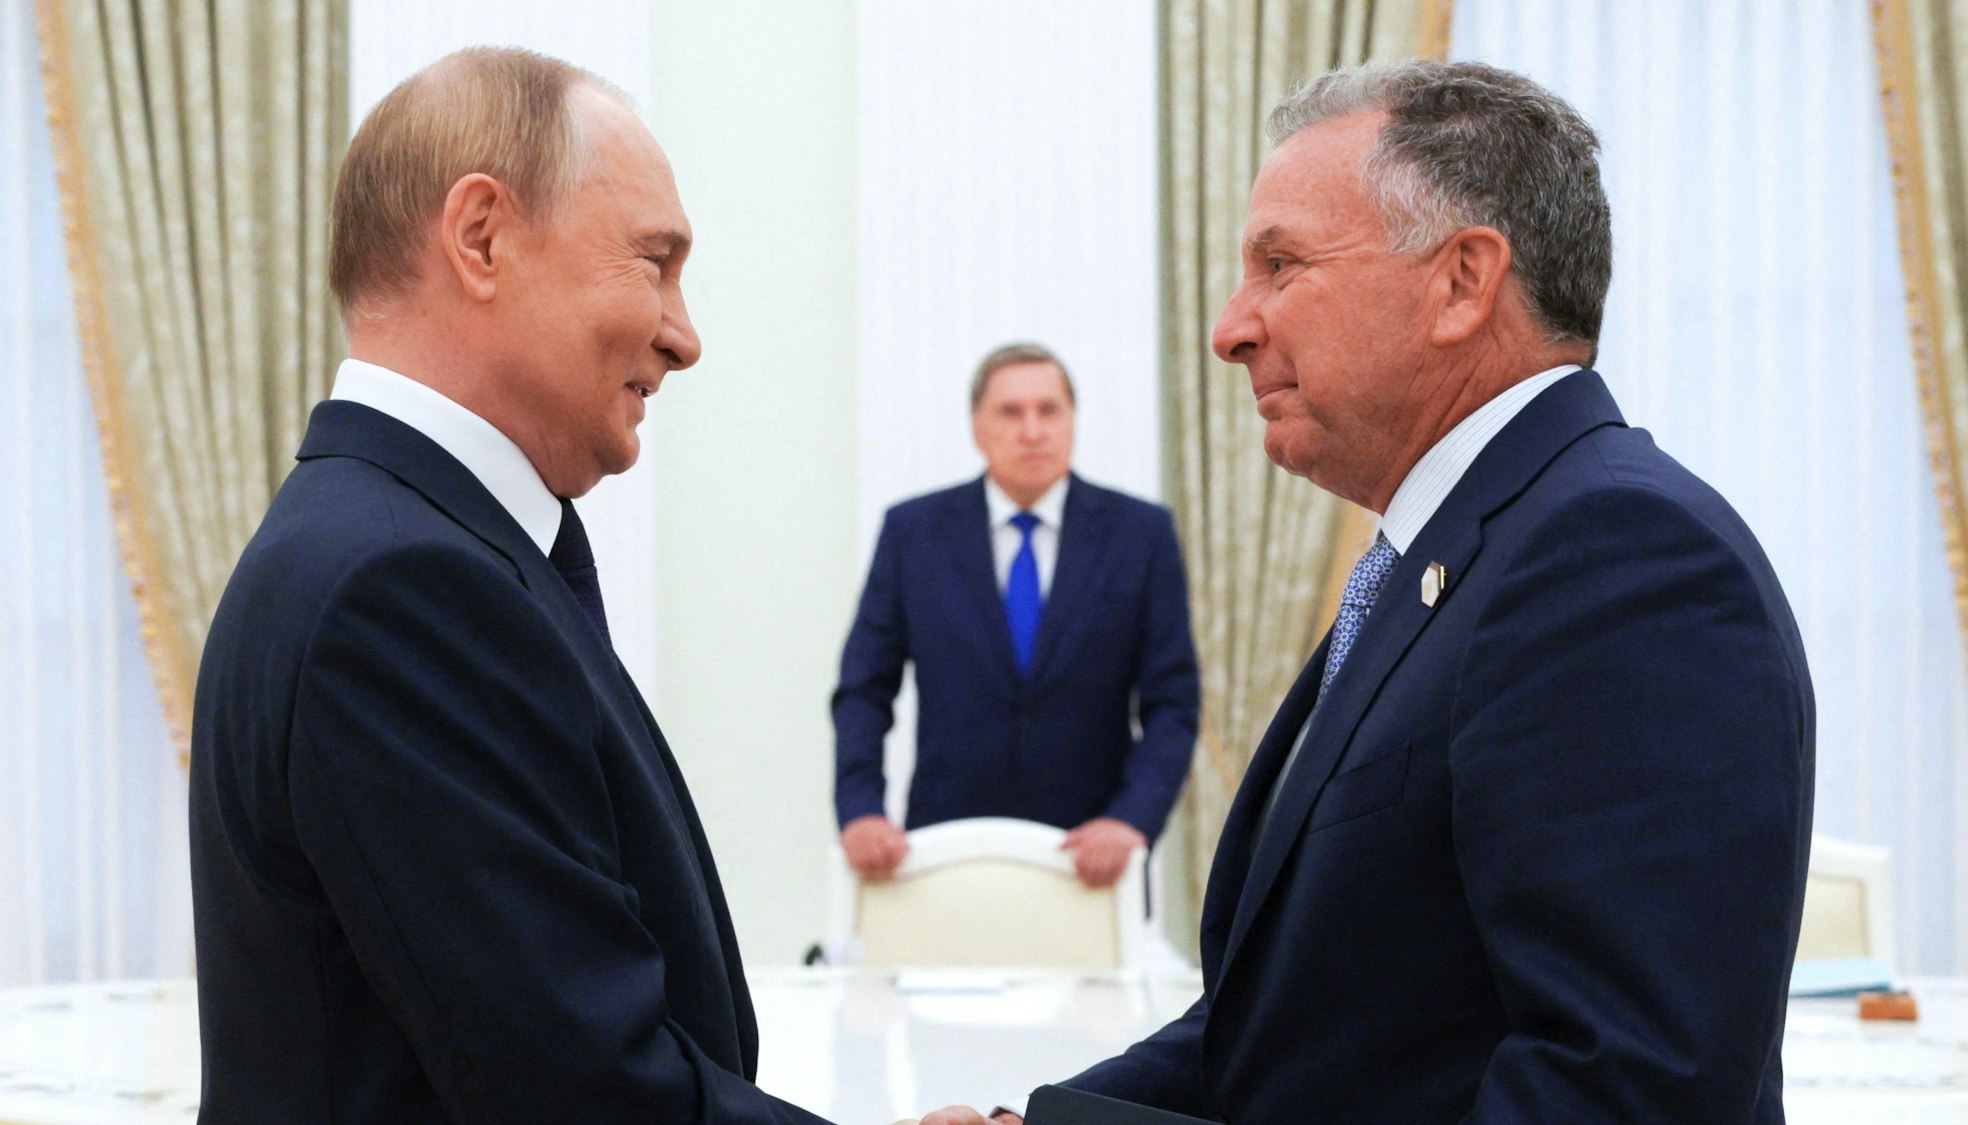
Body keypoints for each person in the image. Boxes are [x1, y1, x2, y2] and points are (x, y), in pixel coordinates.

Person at [922, 60, 1814, 1124]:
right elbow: (1287, 1027)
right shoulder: (1452, 556)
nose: (1230, 327)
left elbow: (1618, 1095)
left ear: (1459, 281)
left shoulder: (1616, 559)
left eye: (1279, 264)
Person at [188, 48, 833, 1123]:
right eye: (653, 261)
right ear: (481, 237)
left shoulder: (402, 543)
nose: (684, 335)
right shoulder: (401, 590)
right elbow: (583, 1092)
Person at [832, 345, 1201, 888]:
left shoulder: (1140, 535)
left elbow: (1173, 704)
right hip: (944, 852)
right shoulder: (914, 534)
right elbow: (864, 688)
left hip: (1091, 858)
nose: (1032, 431)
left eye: (1048, 410)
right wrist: (861, 807)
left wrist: (1131, 819)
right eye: (1011, 412)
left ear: (1072, 421)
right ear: (977, 426)